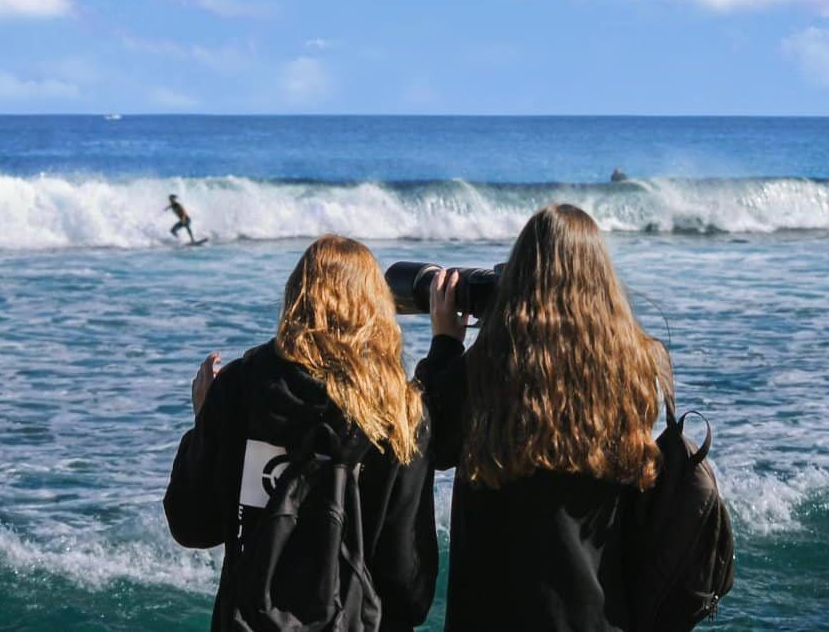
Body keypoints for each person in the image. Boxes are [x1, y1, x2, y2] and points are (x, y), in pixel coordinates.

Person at [415, 204, 671, 632]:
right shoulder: (636, 365)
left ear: (518, 277)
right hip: (600, 614)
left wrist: (444, 345)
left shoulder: (489, 365)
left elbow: (431, 445)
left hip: (494, 613)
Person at [164, 234, 438, 631]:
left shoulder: (240, 388)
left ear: (295, 299)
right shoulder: (401, 411)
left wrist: (205, 422)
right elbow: (407, 591)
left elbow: (191, 525)